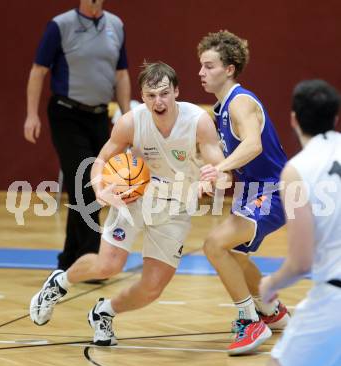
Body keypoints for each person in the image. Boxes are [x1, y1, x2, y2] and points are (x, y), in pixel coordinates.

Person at [29, 61, 226, 346]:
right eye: (151, 95)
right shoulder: (131, 122)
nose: (158, 101)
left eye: (164, 93)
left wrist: (214, 177)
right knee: (108, 266)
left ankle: (103, 312)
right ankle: (59, 284)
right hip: (134, 199)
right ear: (142, 96)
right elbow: (100, 160)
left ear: (176, 92)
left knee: (152, 288)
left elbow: (219, 165)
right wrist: (100, 190)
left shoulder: (198, 121)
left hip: (176, 207)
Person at [197, 30, 290, 355]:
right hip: (253, 193)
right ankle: (271, 308)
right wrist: (209, 176)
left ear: (230, 69)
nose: (201, 72)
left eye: (209, 66)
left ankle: (251, 321)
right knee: (234, 253)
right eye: (201, 66)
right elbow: (226, 163)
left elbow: (253, 144)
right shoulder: (220, 111)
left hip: (276, 191)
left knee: (214, 244)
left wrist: (221, 169)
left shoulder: (241, 102)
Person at [23, 0, 131, 271]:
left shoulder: (115, 25)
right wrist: (31, 115)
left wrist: (129, 117)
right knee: (86, 181)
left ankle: (69, 258)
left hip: (98, 117)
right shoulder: (61, 25)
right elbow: (38, 71)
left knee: (87, 186)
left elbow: (121, 74)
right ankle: (90, 259)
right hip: (66, 114)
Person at [253, 79, 341, 366]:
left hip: (335, 297)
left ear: (293, 119)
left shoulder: (296, 170)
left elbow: (301, 262)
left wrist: (270, 284)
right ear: (335, 118)